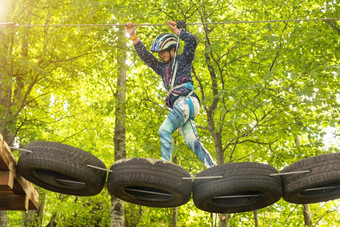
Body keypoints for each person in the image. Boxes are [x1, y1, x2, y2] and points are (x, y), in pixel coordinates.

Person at [125, 21, 216, 168]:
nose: (161, 55)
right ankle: (214, 168)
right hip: (184, 105)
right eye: (159, 53)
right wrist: (133, 36)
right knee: (192, 141)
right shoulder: (162, 69)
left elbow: (192, 41)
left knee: (164, 130)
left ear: (173, 49)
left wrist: (178, 31)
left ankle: (165, 168)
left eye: (163, 52)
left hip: (186, 101)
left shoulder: (183, 60)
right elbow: (147, 57)